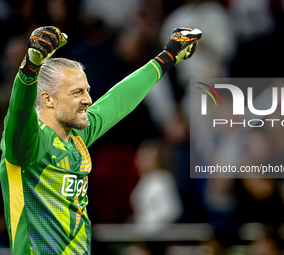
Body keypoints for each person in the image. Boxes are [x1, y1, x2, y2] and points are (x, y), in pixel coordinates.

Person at [0, 26, 202, 254]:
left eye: (86, 91)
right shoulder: (26, 146)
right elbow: (19, 114)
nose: (88, 99)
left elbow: (119, 99)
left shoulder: (78, 134)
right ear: (48, 100)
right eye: (77, 93)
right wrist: (31, 66)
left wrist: (167, 57)